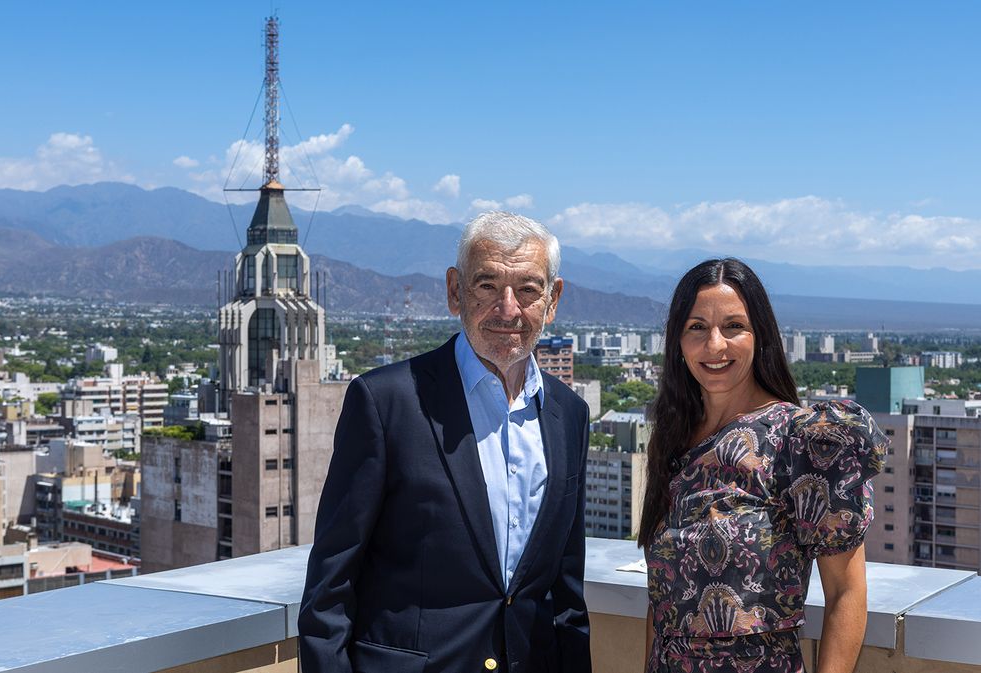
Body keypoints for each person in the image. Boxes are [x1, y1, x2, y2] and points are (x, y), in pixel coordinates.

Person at [298, 211, 592, 673]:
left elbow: (565, 594)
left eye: (528, 290)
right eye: (487, 286)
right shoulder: (386, 402)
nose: (508, 309)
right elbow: (329, 586)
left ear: (552, 300)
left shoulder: (569, 415)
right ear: (455, 291)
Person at [638, 258, 887, 673]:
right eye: (697, 327)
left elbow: (846, 592)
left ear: (760, 337)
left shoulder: (804, 442)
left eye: (733, 326)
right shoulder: (673, 441)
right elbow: (662, 606)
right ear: (677, 342)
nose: (714, 345)